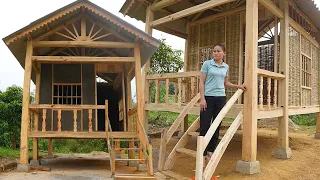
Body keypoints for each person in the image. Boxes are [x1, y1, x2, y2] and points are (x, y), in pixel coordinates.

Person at [199, 43, 246, 165]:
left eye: (218, 51)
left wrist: (238, 86)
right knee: (204, 125)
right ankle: (202, 154)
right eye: (214, 51)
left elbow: (226, 82)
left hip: (220, 98)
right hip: (208, 98)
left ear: (224, 53)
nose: (215, 53)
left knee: (216, 124)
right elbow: (201, 82)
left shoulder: (226, 66)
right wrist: (202, 98)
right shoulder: (207, 64)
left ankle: (210, 150)